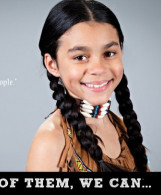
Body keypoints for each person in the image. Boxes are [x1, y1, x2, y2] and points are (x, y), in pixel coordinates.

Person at [26, 0, 149, 172]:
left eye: (109, 53)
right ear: (52, 64)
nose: (98, 69)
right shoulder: (51, 140)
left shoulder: (125, 128)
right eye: (80, 57)